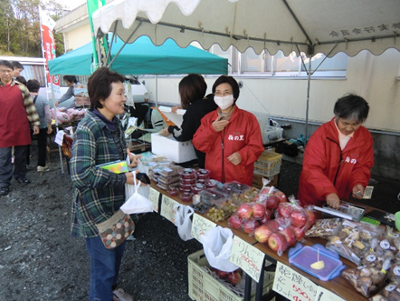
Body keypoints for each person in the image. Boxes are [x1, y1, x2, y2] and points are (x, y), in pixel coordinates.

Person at [70, 67, 142, 301]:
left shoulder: (116, 123)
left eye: (124, 93)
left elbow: (110, 161)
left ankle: (111, 290)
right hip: (95, 210)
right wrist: (123, 177)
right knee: (103, 266)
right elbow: (81, 175)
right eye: (120, 93)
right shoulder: (88, 128)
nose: (124, 98)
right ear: (102, 98)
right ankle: (101, 295)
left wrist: (126, 159)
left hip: (115, 204)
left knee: (117, 252)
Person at [297, 94, 374, 209]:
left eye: (355, 124)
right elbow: (312, 168)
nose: (349, 128)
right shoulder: (322, 135)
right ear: (337, 116)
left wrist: (358, 182)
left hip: (340, 196)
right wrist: (327, 191)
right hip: (313, 195)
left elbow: (362, 166)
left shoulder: (364, 137)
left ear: (362, 121)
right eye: (345, 123)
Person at [192, 75, 264, 186]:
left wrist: (241, 155)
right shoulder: (208, 119)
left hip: (239, 180)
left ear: (234, 96)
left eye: (226, 92)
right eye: (218, 92)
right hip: (213, 179)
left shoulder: (248, 119)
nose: (221, 96)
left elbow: (256, 146)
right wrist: (212, 129)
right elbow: (198, 144)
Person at [159, 74, 217, 168]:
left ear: (186, 92)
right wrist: (183, 108)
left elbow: (182, 135)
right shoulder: (214, 100)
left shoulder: (192, 111)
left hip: (205, 157)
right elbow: (200, 105)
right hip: (222, 152)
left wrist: (170, 129)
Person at [0, 60, 40, 196]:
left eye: (8, 70)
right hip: (2, 128)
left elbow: (30, 107)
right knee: (3, 157)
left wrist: (35, 123)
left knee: (21, 155)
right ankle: (4, 183)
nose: (6, 73)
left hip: (20, 126)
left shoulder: (21, 87)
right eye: (2, 70)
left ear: (12, 71)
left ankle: (20, 175)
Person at [26, 79, 53, 172]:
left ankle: (25, 164)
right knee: (41, 145)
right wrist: (49, 125)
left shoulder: (24, 99)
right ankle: (41, 165)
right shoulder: (43, 99)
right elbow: (48, 114)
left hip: (27, 125)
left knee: (26, 145)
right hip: (42, 124)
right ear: (38, 88)